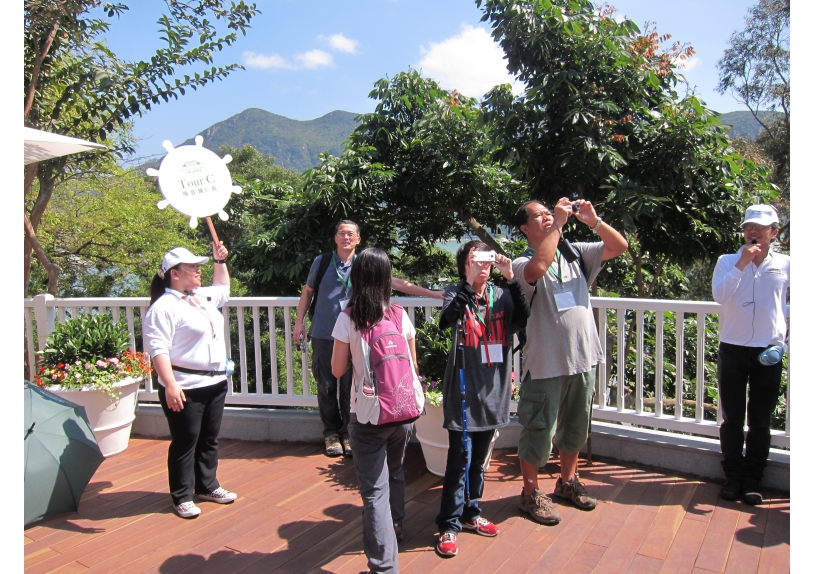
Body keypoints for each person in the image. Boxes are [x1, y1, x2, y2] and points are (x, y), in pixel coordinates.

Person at [511, 198, 628, 525]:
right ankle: (530, 492)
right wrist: (559, 225)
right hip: (547, 362)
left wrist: (594, 221)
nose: (548, 217)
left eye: (550, 213)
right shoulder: (522, 263)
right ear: (524, 228)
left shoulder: (575, 252)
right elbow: (538, 269)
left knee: (576, 427)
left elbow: (619, 245)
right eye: (541, 215)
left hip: (584, 357)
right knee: (538, 430)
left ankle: (567, 482)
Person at [293, 220, 442, 458]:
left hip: (356, 336)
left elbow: (396, 283)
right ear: (335, 237)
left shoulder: (365, 264)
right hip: (323, 333)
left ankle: (347, 432)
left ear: (358, 239)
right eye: (341, 233)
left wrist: (431, 293)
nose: (346, 237)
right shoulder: (321, 262)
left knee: (352, 386)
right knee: (326, 384)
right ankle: (330, 432)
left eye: (351, 234)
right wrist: (299, 321)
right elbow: (308, 291)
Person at [434, 241, 529, 558]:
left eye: (487, 258)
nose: (484, 264)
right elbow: (446, 320)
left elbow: (524, 318)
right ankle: (448, 524)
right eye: (476, 259)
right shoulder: (455, 291)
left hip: (493, 390)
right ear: (464, 265)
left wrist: (510, 277)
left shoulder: (501, 295)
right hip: (463, 391)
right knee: (458, 462)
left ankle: (471, 514)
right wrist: (470, 282)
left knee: (479, 462)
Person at [330, 247, 419, 574]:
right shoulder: (398, 313)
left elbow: (338, 370)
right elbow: (411, 366)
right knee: (394, 472)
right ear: (385, 278)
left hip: (368, 415)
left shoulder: (348, 317)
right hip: (403, 412)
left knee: (374, 493)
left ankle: (383, 568)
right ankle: (395, 527)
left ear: (357, 277)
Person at [143, 243, 237, 519]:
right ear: (174, 273)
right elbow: (157, 348)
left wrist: (220, 261)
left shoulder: (199, 296)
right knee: (186, 441)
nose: (199, 270)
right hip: (185, 385)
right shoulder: (163, 307)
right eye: (192, 267)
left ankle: (207, 485)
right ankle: (182, 496)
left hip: (214, 382)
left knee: (209, 439)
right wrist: (170, 383)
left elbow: (223, 289)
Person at [712, 204, 790, 505]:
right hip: (732, 348)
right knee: (732, 419)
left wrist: (786, 340)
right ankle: (732, 478)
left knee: (760, 421)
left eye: (760, 227)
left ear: (774, 232)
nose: (752, 231)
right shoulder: (728, 261)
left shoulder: (785, 264)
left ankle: (753, 480)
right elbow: (720, 297)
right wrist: (741, 265)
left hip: (768, 351)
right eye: (748, 226)